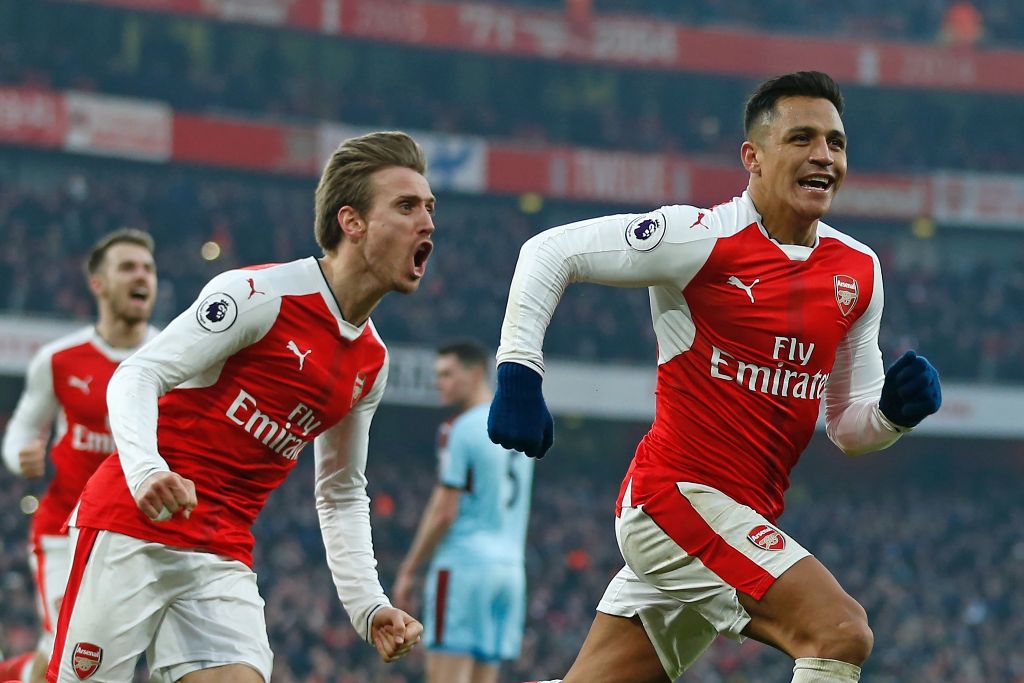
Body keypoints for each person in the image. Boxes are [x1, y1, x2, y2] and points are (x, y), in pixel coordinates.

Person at [487, 71, 942, 683]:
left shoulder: (858, 270)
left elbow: (848, 427)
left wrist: (893, 413)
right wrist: (520, 373)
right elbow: (548, 251)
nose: (823, 156)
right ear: (752, 158)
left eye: (835, 142)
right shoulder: (702, 239)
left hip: (738, 516)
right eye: (802, 138)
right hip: (674, 500)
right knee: (838, 632)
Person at [46, 131, 435, 683]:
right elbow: (138, 372)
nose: (427, 222)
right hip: (132, 528)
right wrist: (147, 469)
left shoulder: (371, 361)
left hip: (221, 553)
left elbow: (340, 489)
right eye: (406, 206)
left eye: (429, 208)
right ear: (352, 223)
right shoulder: (260, 295)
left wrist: (368, 605)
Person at [0, 229, 159, 683]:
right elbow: (22, 430)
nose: (141, 276)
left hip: (137, 533)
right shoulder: (59, 359)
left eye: (147, 268)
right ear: (99, 284)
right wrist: (19, 457)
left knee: (105, 659)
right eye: (128, 267)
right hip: (63, 530)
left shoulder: (174, 356)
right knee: (68, 655)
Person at [393, 340, 534, 683]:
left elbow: (444, 512)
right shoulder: (520, 426)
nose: (439, 383)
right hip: (510, 573)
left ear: (475, 373)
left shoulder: (460, 429)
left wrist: (409, 569)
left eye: (447, 374)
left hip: (464, 568)